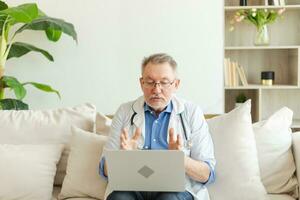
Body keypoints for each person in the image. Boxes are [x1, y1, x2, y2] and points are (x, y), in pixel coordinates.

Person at [99, 53, 216, 200]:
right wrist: (123, 158)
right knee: (119, 198)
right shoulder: (124, 111)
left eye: (164, 82)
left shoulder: (192, 112)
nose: (156, 89)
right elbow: (104, 170)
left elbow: (208, 174)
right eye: (150, 82)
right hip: (132, 189)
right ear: (141, 83)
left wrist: (180, 160)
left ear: (176, 84)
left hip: (176, 191)